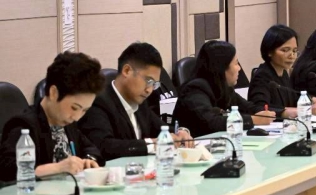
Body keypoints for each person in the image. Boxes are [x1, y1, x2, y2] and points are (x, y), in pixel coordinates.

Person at [0, 52, 105, 181]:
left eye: (84, 110)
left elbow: (90, 148)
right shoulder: (24, 125)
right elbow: (7, 170)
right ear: (54, 92)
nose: (77, 117)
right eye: (74, 108)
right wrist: (57, 168)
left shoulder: (67, 123)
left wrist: (88, 160)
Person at [80, 42, 193, 160]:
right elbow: (104, 146)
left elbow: (162, 129)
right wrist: (152, 145)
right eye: (148, 81)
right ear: (127, 71)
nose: (149, 90)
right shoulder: (98, 101)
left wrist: (181, 132)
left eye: (154, 84)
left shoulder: (140, 101)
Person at [173, 40, 275, 136]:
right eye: (236, 63)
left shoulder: (223, 87)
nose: (239, 68)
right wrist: (253, 120)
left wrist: (277, 113)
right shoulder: (195, 89)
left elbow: (249, 108)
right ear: (222, 67)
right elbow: (211, 122)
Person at [249, 25, 316, 118]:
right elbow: (260, 108)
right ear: (269, 51)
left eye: (294, 51)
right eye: (285, 50)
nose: (292, 56)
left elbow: (295, 99)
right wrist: (304, 110)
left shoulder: (284, 73)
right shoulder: (262, 76)